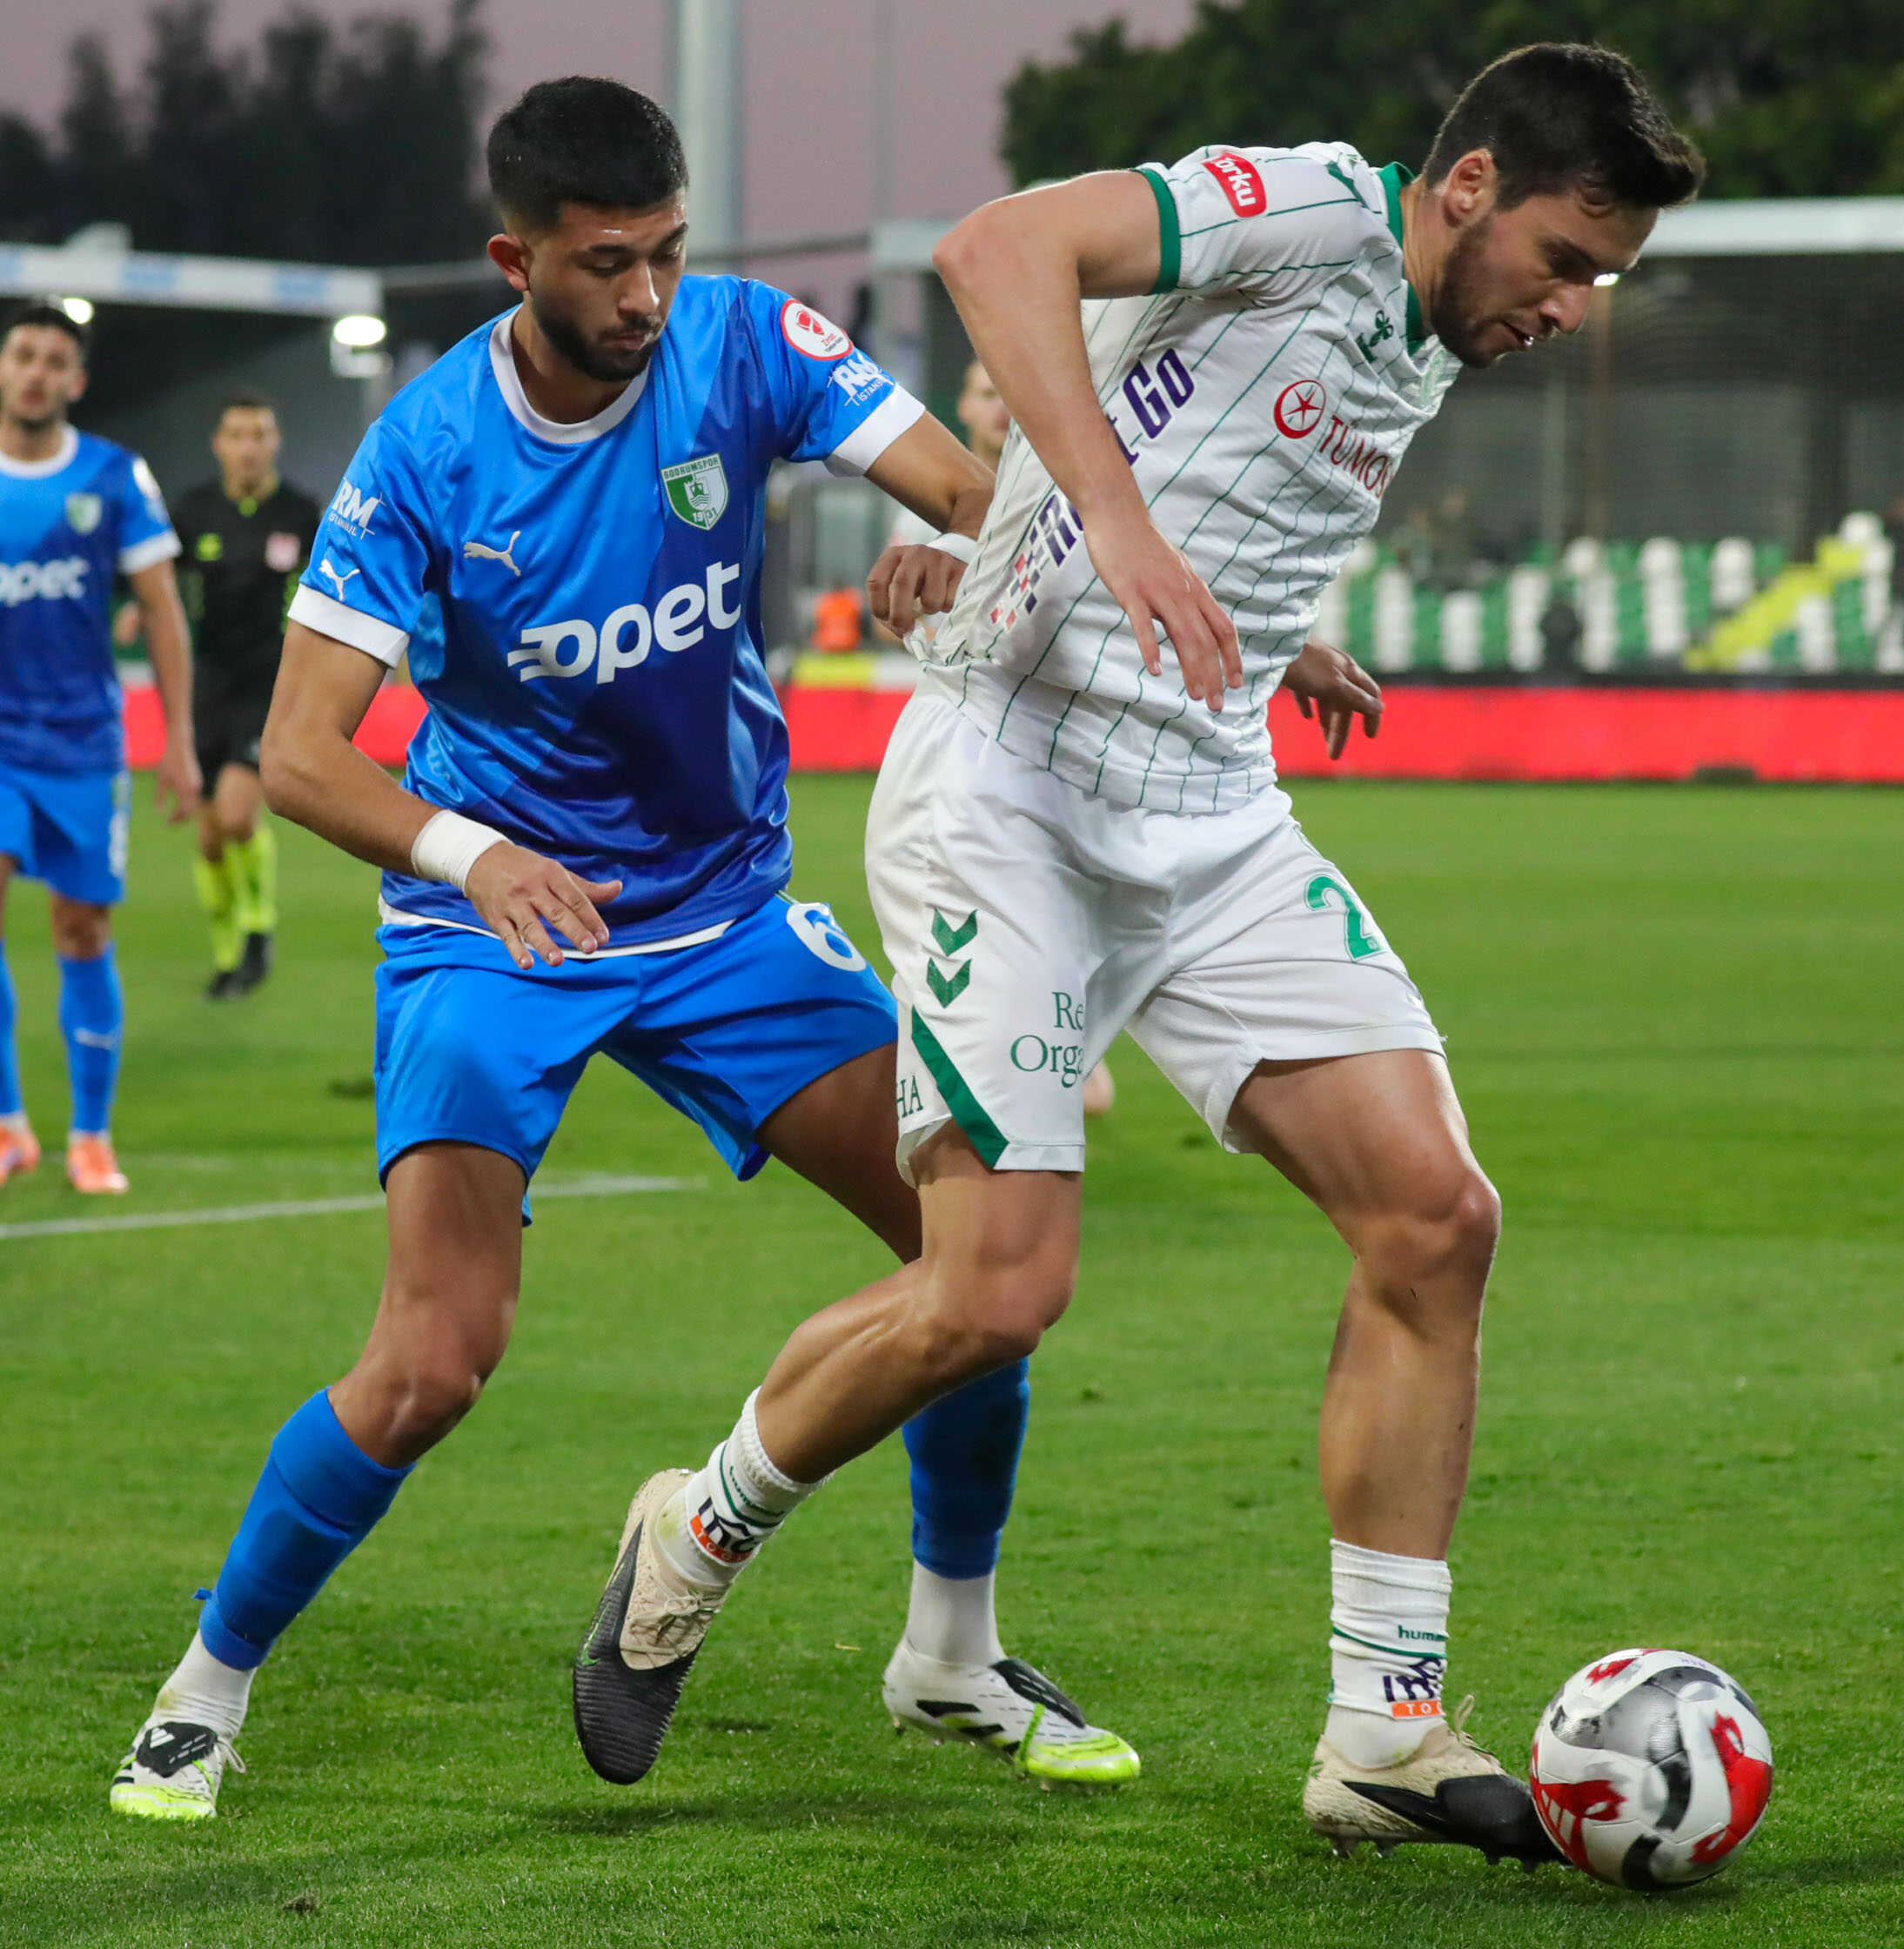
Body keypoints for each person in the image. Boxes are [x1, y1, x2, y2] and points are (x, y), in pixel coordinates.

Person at [577, 44, 1703, 1865]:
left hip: (1211, 813)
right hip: (1008, 795)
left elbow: (1214, 443)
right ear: (1471, 187)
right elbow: (999, 246)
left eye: (1604, 279)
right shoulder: (1317, 204)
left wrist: (1266, 626)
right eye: (1568, 259)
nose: (1574, 307)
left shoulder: (1436, 329)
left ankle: (1384, 1730)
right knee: (993, 1296)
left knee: (1436, 1219)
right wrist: (1104, 517)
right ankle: (694, 1527)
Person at [110, 77, 1136, 1825]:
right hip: (491, 930)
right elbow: (297, 756)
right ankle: (201, 1695)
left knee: (975, 1262)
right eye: (605, 263)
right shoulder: (427, 452)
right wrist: (477, 854)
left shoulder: (745, 342)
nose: (646, 294)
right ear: (516, 261)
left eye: (665, 252)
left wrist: (935, 543)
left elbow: (976, 492)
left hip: (725, 916)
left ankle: (951, 1654)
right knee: (433, 1360)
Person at [0, 303, 198, 1196]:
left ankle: (90, 1133)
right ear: (4, 368)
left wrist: (180, 740)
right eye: (23, 355)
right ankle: (9, 1125)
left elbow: (161, 608)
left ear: (75, 381)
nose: (36, 372)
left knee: (81, 928)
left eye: (54, 361)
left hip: (83, 746)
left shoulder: (114, 476)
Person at [883, 358, 1115, 1117]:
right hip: (967, 722)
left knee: (1072, 887)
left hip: (1067, 726)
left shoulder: (1077, 485)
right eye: (987, 394)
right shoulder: (924, 509)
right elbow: (897, 616)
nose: (1001, 408)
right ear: (962, 406)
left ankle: (1058, 1040)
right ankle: (982, 1050)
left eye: (1011, 390)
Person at [170, 393, 319, 996]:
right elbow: (155, 579)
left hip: (269, 683)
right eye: (237, 435)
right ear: (219, 444)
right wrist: (134, 613)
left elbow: (334, 587)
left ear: (274, 442)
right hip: (207, 683)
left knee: (237, 815)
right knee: (209, 837)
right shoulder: (193, 510)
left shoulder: (300, 512)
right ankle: (227, 954)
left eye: (259, 434)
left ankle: (258, 930)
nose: (249, 446)